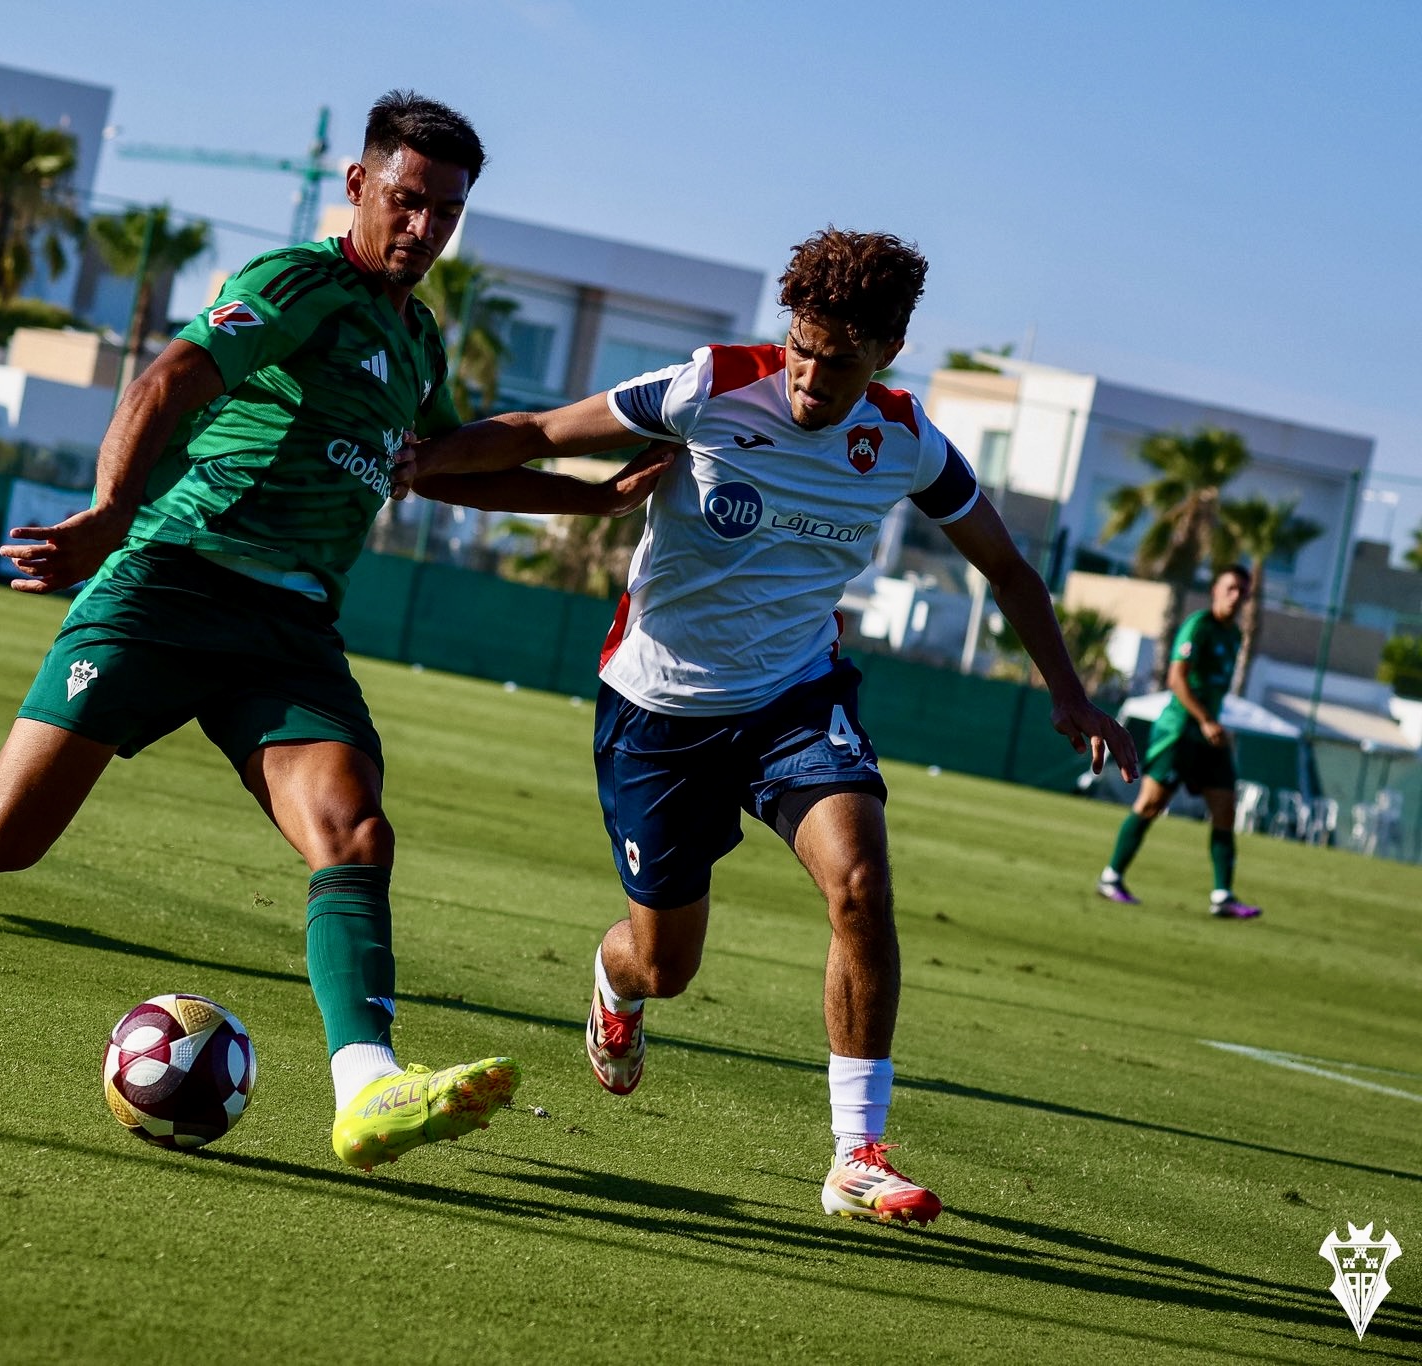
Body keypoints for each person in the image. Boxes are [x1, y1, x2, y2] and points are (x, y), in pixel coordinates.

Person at [0, 93, 657, 1171]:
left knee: (354, 833)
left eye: (447, 212)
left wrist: (599, 498)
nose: (425, 227)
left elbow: (437, 465)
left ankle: (367, 1086)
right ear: (358, 186)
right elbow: (170, 377)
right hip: (174, 582)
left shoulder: (417, 340)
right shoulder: (296, 283)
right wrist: (109, 512)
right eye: (408, 199)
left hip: (289, 629)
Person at [411, 228, 1138, 1225]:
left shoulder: (905, 441)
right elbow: (539, 432)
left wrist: (1068, 693)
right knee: (665, 965)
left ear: (886, 353)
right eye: (800, 349)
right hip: (659, 710)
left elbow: (1007, 568)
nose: (808, 379)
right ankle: (616, 985)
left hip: (793, 697)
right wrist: (421, 461)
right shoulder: (708, 385)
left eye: (837, 363)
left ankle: (856, 1153)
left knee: (860, 882)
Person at [1096, 568, 1261, 917]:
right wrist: (1205, 720)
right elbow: (1176, 679)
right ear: (1215, 590)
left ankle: (1223, 896)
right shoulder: (1198, 626)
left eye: (1243, 592)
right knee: (1151, 804)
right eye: (1231, 588)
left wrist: (1212, 724)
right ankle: (1111, 877)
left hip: (1210, 736)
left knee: (1225, 809)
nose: (1236, 597)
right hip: (1179, 732)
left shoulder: (1234, 636)